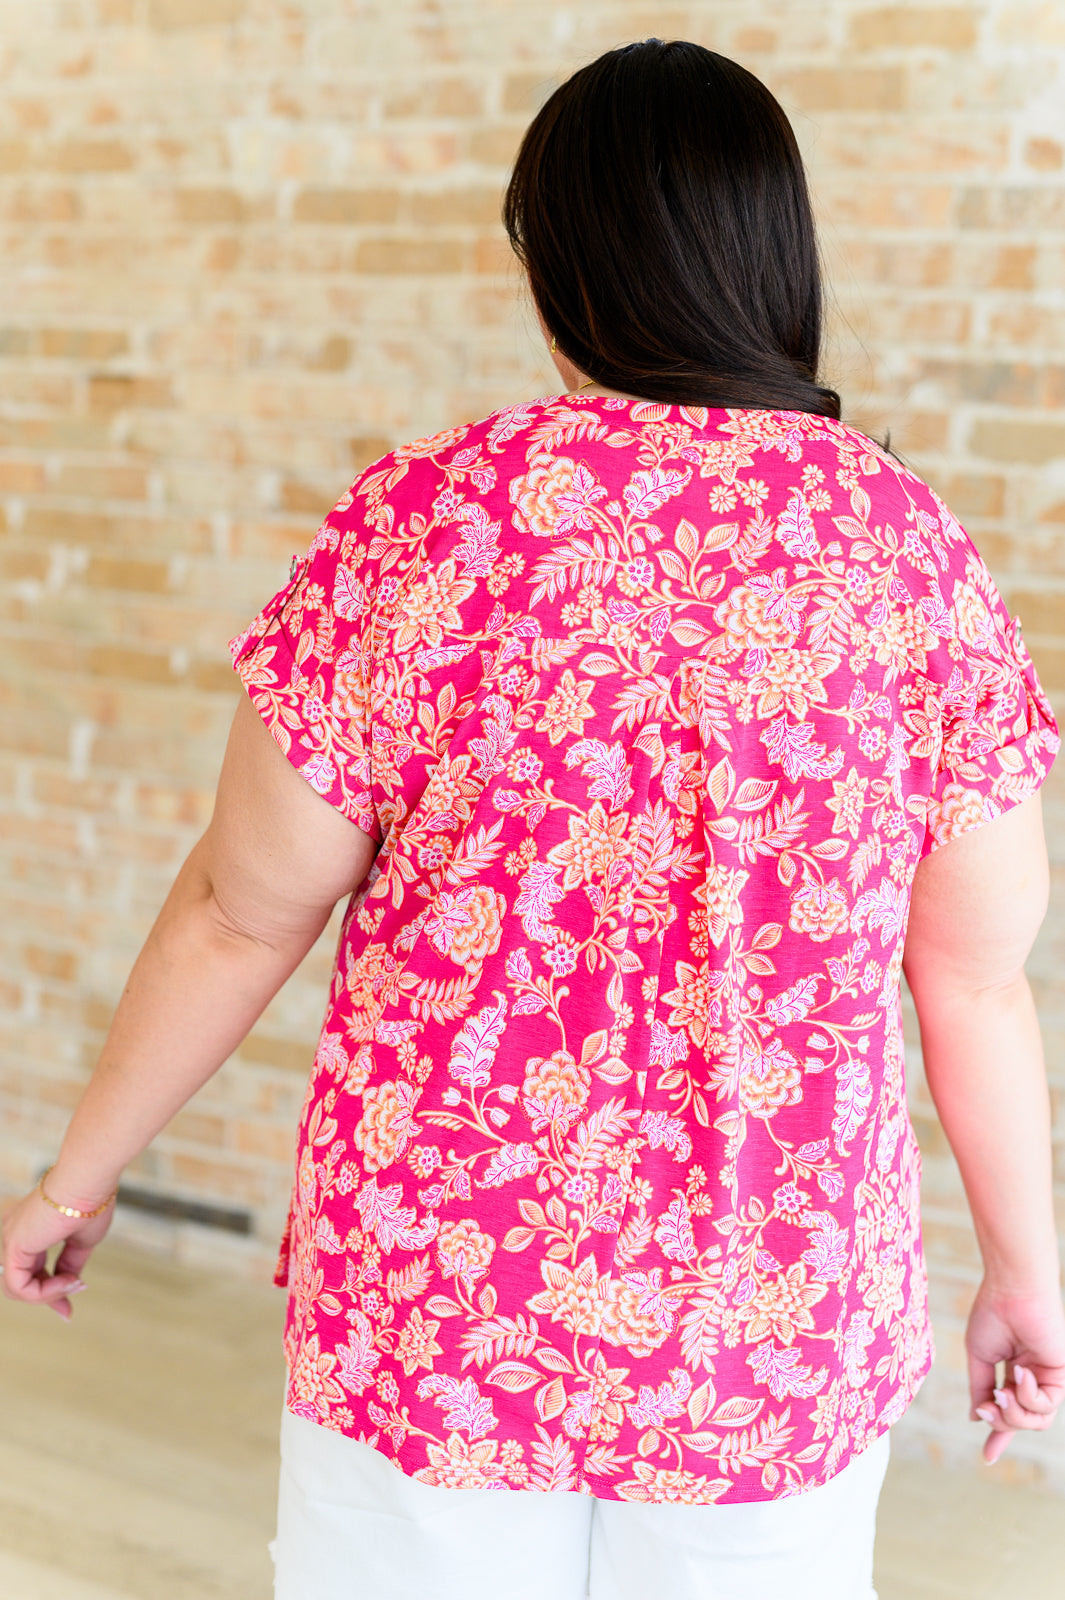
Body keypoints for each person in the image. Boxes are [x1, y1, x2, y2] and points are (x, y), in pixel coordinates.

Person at [3, 36, 1063, 1600]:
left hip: (441, 1289)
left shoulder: (427, 525)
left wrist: (71, 1182)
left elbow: (245, 907)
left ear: (552, 262)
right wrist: (1024, 1274)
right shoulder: (907, 560)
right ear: (776, 262)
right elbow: (970, 973)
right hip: (763, 1317)